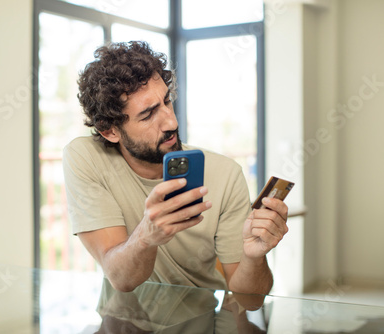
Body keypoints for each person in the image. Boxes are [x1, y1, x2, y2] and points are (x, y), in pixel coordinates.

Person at [63, 41, 289, 293]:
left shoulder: (226, 175)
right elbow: (121, 279)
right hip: (123, 323)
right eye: (148, 115)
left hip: (203, 320)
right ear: (110, 131)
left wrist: (254, 257)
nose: (171, 121)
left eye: (167, 102)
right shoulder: (86, 157)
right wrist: (146, 236)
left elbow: (250, 300)